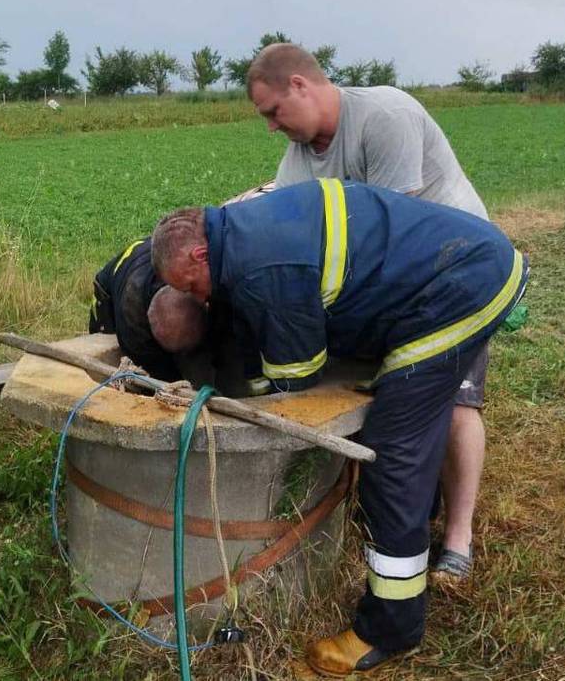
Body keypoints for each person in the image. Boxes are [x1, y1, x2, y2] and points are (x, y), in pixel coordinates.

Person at [150, 180, 527, 675]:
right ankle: (423, 517)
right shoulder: (243, 233)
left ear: (200, 253)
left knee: (392, 454)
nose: (195, 297)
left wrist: (249, 396)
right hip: (464, 266)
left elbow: (300, 373)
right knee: (413, 411)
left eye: (190, 285)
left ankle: (390, 627)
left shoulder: (265, 269)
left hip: (460, 287)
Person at [247, 42, 489, 583]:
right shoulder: (302, 151)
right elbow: (286, 219)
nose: (270, 127)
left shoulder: (385, 118)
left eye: (272, 112)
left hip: (456, 273)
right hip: (391, 284)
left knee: (450, 400)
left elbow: (386, 233)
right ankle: (405, 508)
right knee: (382, 393)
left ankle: (458, 537)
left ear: (300, 87)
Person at [88, 238, 206, 383]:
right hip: (109, 292)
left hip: (154, 252)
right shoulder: (132, 321)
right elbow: (155, 374)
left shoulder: (198, 278)